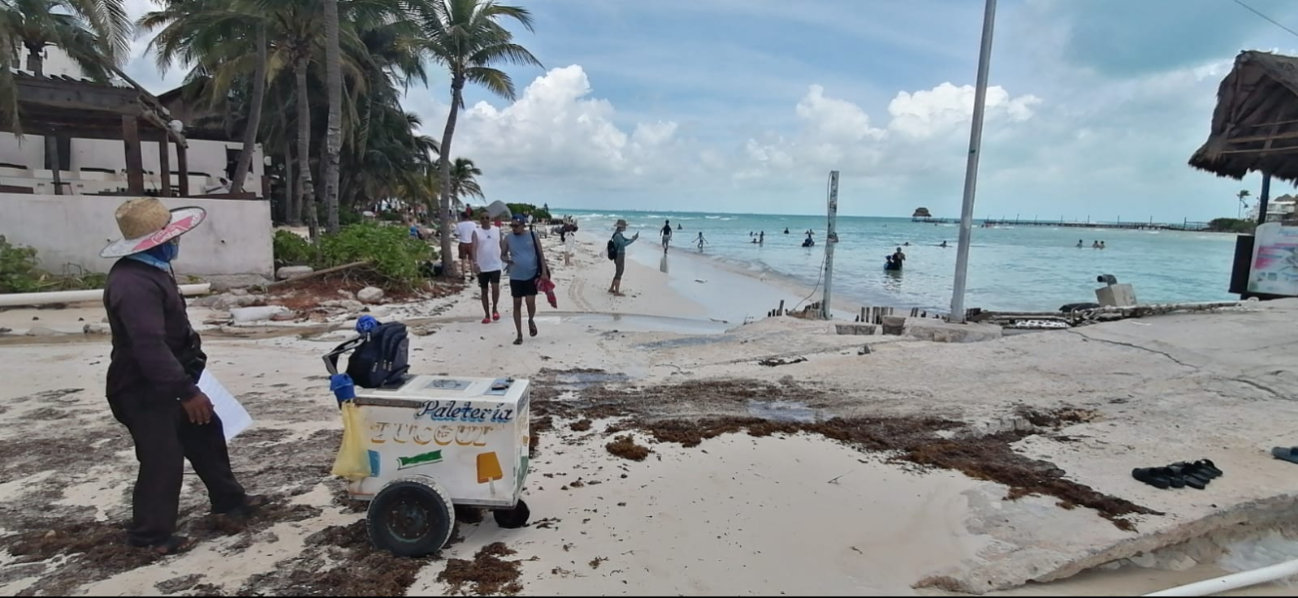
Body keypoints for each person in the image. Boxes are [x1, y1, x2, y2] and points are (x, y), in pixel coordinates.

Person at [100, 198, 264, 556]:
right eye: (170, 237)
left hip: (173, 378)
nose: (176, 242)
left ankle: (229, 501)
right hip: (143, 388)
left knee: (206, 433)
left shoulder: (154, 271)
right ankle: (150, 535)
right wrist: (186, 392)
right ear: (156, 241)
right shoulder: (134, 283)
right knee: (162, 457)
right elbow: (149, 346)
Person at [501, 214, 549, 345]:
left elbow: (540, 254)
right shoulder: (508, 238)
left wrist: (544, 272)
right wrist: (508, 260)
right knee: (516, 304)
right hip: (516, 276)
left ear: (523, 225)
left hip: (531, 274)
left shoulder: (533, 236)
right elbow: (503, 255)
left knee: (530, 302)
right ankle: (519, 334)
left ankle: (531, 320)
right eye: (512, 226)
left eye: (516, 226)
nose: (514, 228)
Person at [472, 213, 503, 324]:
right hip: (482, 266)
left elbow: (502, 244)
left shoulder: (497, 230)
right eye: (482, 218)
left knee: (495, 288)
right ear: (479, 220)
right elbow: (474, 248)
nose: (485, 220)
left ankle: (494, 309)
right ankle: (487, 314)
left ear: (491, 219)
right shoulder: (476, 232)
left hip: (495, 264)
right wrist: (475, 263)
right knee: (484, 290)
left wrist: (506, 256)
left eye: (487, 218)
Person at [609, 219, 639, 295]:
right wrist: (633, 240)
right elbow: (624, 244)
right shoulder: (618, 235)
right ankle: (616, 292)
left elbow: (625, 240)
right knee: (619, 272)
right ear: (621, 227)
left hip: (618, 255)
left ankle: (612, 288)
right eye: (624, 226)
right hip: (619, 255)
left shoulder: (617, 234)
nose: (625, 228)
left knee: (617, 272)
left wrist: (633, 239)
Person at [454, 211, 478, 278]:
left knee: (463, 260)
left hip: (463, 243)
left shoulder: (459, 224)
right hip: (471, 243)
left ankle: (463, 275)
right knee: (471, 260)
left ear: (462, 217)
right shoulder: (473, 224)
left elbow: (456, 234)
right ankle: (472, 274)